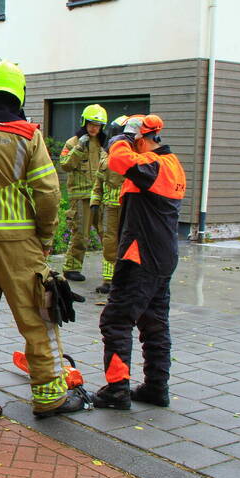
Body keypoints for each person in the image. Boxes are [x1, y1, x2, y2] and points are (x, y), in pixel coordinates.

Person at [0, 61, 92, 429]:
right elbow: (49, 191)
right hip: (18, 245)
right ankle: (49, 397)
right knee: (39, 321)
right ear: (19, 93)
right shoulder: (28, 135)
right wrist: (44, 237)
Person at [92, 114, 186, 410]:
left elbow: (119, 161)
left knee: (116, 320)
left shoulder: (152, 166)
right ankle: (157, 388)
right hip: (162, 255)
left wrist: (123, 136)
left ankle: (117, 390)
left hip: (139, 257)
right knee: (155, 324)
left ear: (141, 139)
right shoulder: (170, 164)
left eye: (133, 140)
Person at [59, 105, 108, 281]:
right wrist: (80, 147)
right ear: (84, 123)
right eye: (91, 124)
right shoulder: (73, 142)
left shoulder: (105, 144)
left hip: (101, 196)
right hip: (81, 196)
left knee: (106, 233)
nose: (94, 128)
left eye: (98, 125)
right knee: (81, 234)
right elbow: (65, 165)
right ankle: (71, 269)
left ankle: (113, 271)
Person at [91, 115, 128, 294]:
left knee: (127, 243)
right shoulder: (105, 156)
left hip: (128, 207)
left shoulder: (133, 157)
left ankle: (124, 279)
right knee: (109, 243)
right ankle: (108, 280)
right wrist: (94, 203)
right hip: (109, 208)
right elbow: (98, 184)